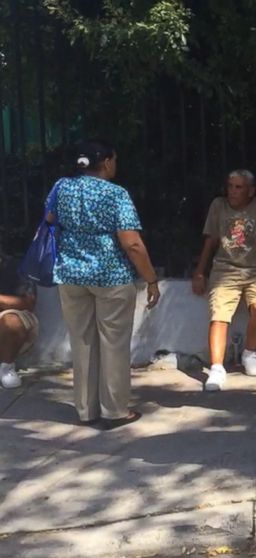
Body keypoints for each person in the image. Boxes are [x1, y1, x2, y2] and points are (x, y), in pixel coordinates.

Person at [52, 139, 160, 429]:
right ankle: (114, 411)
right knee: (113, 344)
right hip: (110, 277)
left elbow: (50, 219)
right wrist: (150, 279)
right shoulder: (116, 195)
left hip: (71, 275)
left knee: (82, 342)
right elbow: (132, 243)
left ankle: (86, 410)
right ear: (107, 162)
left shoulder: (62, 187)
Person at [192, 170, 256, 391]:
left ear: (251, 191)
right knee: (219, 316)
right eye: (230, 186)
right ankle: (216, 368)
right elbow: (211, 240)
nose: (232, 192)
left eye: (238, 187)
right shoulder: (219, 205)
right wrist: (200, 272)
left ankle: (249, 353)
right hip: (225, 270)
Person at [0, 250, 39, 389]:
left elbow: (28, 303)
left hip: (6, 318)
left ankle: (6, 368)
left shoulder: (16, 265)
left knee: (12, 322)